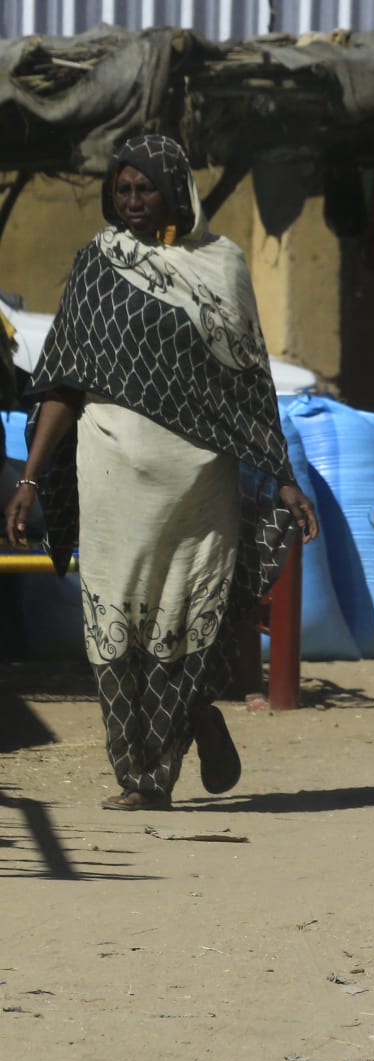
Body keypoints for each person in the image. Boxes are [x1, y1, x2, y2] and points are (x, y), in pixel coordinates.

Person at [2, 134, 319, 811]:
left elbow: (247, 385)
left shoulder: (222, 266)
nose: (133, 201)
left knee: (187, 615)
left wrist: (282, 475)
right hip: (110, 469)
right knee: (115, 620)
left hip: (198, 480)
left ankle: (158, 770)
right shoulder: (97, 264)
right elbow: (62, 380)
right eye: (123, 189)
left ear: (177, 190)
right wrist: (29, 480)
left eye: (145, 187)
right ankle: (141, 760)